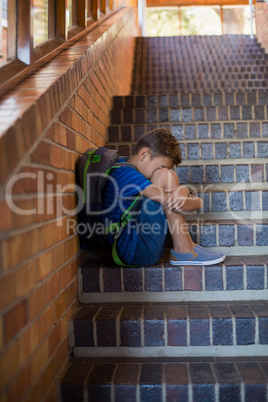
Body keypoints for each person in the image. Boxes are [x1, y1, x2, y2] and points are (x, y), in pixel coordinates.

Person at [102, 128, 225, 267]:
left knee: (167, 178)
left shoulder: (124, 166)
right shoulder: (125, 173)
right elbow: (173, 201)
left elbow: (175, 199)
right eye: (159, 167)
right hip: (135, 252)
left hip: (135, 246)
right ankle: (183, 249)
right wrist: (194, 198)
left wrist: (183, 191)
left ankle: (188, 246)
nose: (158, 171)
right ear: (144, 154)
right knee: (165, 176)